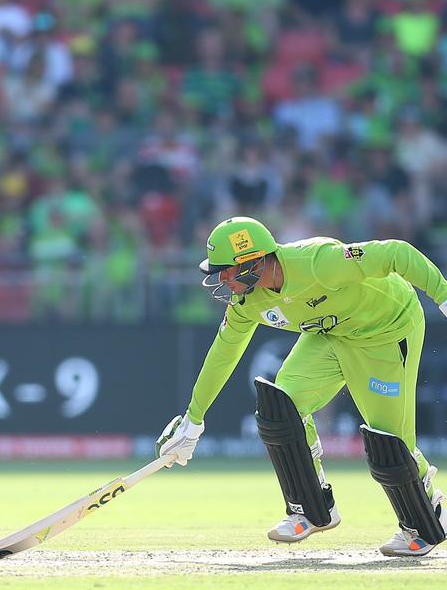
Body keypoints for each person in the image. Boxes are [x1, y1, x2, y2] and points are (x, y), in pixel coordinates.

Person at [156, 216, 447, 557]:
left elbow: (396, 252)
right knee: (282, 407)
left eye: (225, 270)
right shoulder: (248, 302)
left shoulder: (318, 262)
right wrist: (194, 419)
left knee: (390, 443)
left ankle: (425, 519)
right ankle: (311, 510)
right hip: (332, 336)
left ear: (252, 262)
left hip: (385, 331)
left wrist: (442, 294)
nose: (220, 280)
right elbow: (223, 353)